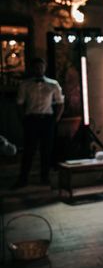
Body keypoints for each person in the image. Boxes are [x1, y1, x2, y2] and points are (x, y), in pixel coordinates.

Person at [13, 57, 64, 188]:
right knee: (29, 150)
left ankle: (45, 177)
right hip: (32, 119)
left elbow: (60, 103)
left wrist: (55, 119)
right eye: (36, 67)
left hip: (47, 119)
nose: (39, 69)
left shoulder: (53, 84)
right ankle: (23, 178)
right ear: (32, 68)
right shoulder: (25, 84)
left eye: (41, 67)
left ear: (44, 68)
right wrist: (23, 119)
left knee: (46, 150)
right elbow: (19, 103)